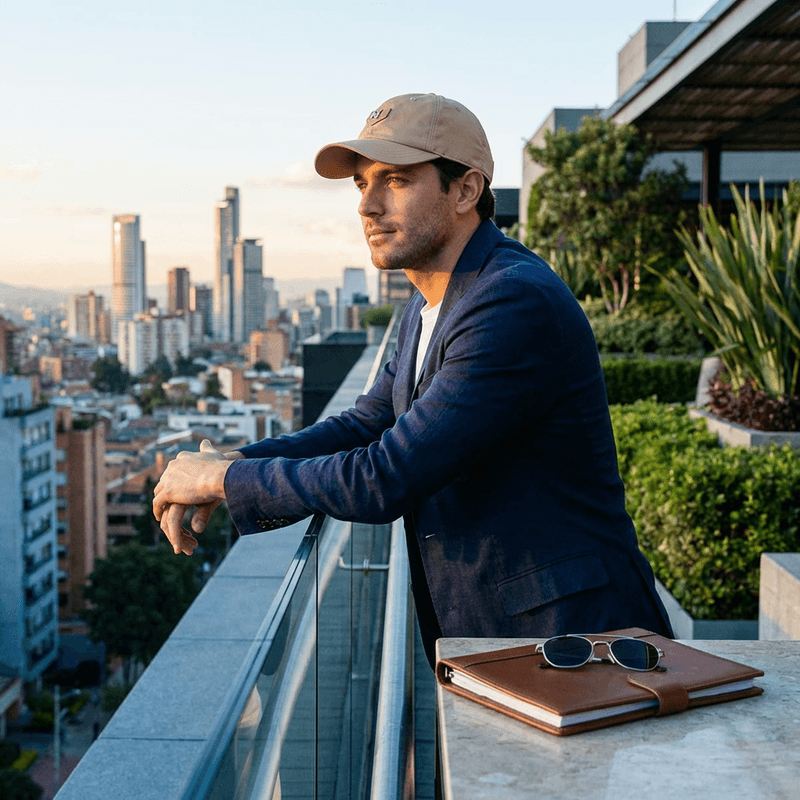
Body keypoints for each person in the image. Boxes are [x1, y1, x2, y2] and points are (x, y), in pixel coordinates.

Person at [153, 92, 674, 666]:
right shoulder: (429, 301)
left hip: (578, 643)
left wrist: (225, 484)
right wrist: (236, 460)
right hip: (506, 638)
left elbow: (386, 475)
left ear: (465, 190)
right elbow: (367, 422)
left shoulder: (510, 300)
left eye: (395, 180)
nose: (367, 206)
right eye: (361, 184)